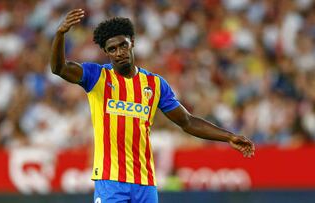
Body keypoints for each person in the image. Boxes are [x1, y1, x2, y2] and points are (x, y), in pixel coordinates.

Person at [50, 8, 255, 203]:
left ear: (133, 43)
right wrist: (60, 34)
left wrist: (228, 136)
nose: (119, 52)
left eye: (123, 45)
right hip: (109, 179)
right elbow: (59, 68)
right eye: (112, 49)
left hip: (144, 181)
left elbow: (187, 121)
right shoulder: (97, 77)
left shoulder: (154, 84)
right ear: (106, 52)